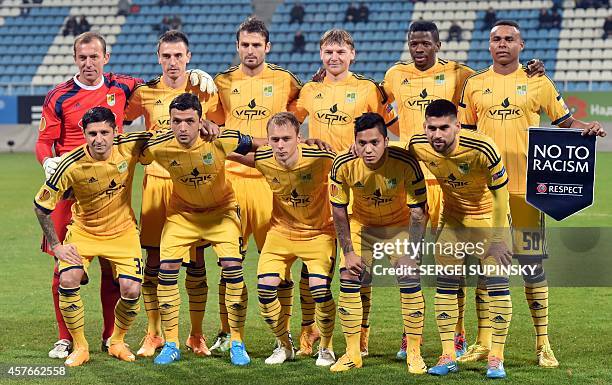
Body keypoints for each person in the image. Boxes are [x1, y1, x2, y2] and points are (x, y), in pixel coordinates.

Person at [37, 31, 214, 361]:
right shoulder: (58, 96)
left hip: (121, 190)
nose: (88, 63)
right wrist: (48, 161)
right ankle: (66, 337)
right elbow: (44, 140)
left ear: (106, 58)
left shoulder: (124, 87)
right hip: (68, 185)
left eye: (95, 56)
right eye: (82, 57)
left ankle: (110, 336)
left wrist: (194, 75)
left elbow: (164, 82)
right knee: (63, 265)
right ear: (75, 59)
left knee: (116, 271)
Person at [382, 20, 545, 360]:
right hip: (418, 180)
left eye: (425, 42)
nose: (419, 47)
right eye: (414, 42)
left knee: (475, 265)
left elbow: (499, 84)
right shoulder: (394, 74)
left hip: (471, 185)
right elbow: (380, 109)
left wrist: (534, 70)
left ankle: (464, 337)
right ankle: (410, 335)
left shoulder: (462, 75)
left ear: (438, 44)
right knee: (411, 260)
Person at [458, 19, 606, 369]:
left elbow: (564, 122)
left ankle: (543, 344)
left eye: (510, 39)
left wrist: (589, 128)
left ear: (521, 45)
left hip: (527, 191)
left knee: (531, 266)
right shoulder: (474, 85)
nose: (503, 44)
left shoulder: (537, 80)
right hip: (486, 192)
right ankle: (482, 342)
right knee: (486, 267)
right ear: (489, 46)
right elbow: (464, 135)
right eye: (497, 39)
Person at [294, 29, 398, 357]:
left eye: (340, 51)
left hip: (359, 188)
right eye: (328, 52)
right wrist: (303, 141)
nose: (334, 57)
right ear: (320, 55)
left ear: (352, 54)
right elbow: (287, 126)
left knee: (358, 265)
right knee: (312, 264)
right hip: (317, 189)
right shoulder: (309, 91)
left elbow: (391, 130)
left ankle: (362, 335)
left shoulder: (369, 89)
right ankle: (308, 330)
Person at [207, 16, 306, 355]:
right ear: (238, 46)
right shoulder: (221, 82)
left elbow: (298, 120)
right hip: (231, 181)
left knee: (280, 263)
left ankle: (284, 335)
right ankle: (226, 332)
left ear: (268, 47)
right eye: (245, 45)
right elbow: (211, 126)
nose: (250, 51)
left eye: (256, 45)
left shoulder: (285, 81)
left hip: (271, 184)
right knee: (229, 262)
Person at [141, 93, 262, 365]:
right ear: (169, 122)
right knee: (167, 269)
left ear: (200, 121)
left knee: (233, 269)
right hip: (182, 215)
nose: (182, 127)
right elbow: (125, 149)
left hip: (221, 213)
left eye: (189, 121)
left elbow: (259, 144)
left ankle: (237, 341)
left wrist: (297, 144)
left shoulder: (220, 138)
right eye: (176, 121)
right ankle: (170, 343)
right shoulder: (159, 145)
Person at [123, 30, 217, 359]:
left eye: (179, 56)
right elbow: (118, 114)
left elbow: (217, 127)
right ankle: (153, 334)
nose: (173, 62)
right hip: (156, 182)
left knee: (196, 263)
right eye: (167, 56)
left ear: (188, 57)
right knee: (153, 262)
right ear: (158, 58)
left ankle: (196, 334)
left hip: (190, 185)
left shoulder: (203, 90)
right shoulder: (145, 93)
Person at [34, 107, 151, 367]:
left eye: (104, 132)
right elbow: (41, 207)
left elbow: (164, 138)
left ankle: (117, 341)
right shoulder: (69, 164)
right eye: (92, 133)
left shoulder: (129, 146)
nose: (99, 139)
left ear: (115, 131)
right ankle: (80, 346)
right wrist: (56, 245)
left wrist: (204, 127)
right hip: (84, 231)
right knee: (68, 277)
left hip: (122, 232)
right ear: (84, 134)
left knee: (132, 289)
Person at [409, 99, 513, 379]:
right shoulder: (417, 145)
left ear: (457, 125)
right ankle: (448, 354)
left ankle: (496, 357)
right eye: (432, 128)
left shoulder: (483, 148)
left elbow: (501, 195)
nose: (437, 135)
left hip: (489, 219)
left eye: (444, 127)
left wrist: (498, 238)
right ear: (425, 127)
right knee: (445, 288)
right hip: (453, 221)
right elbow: (393, 158)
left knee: (498, 287)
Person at [235, 112, 338, 366]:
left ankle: (326, 347)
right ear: (268, 141)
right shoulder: (264, 158)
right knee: (265, 288)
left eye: (286, 139)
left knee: (319, 289)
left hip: (319, 233)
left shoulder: (322, 158)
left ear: (299, 139)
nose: (280, 145)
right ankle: (284, 344)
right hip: (280, 233)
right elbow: (230, 150)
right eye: (275, 139)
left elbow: (349, 162)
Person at [328, 112, 427, 373]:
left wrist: (412, 254)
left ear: (386, 140)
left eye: (374, 142)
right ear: (355, 142)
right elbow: (338, 211)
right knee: (350, 276)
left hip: (398, 227)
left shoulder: (406, 162)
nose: (368, 149)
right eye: (362, 143)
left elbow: (418, 212)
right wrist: (348, 252)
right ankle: (352, 353)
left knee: (409, 276)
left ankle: (414, 353)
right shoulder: (343, 164)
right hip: (363, 225)